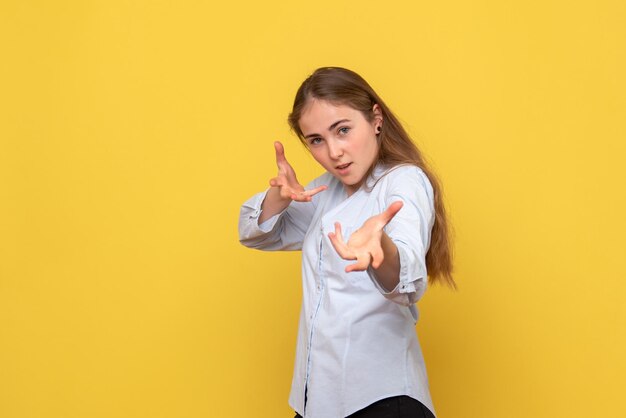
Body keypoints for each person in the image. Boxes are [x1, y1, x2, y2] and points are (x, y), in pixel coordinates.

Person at [238, 67, 455, 418]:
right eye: (316, 140)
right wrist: (280, 196)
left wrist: (381, 249)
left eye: (343, 130)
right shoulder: (328, 192)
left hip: (379, 401)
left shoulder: (404, 182)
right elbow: (258, 234)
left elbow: (407, 280)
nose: (335, 152)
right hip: (316, 403)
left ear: (375, 119)